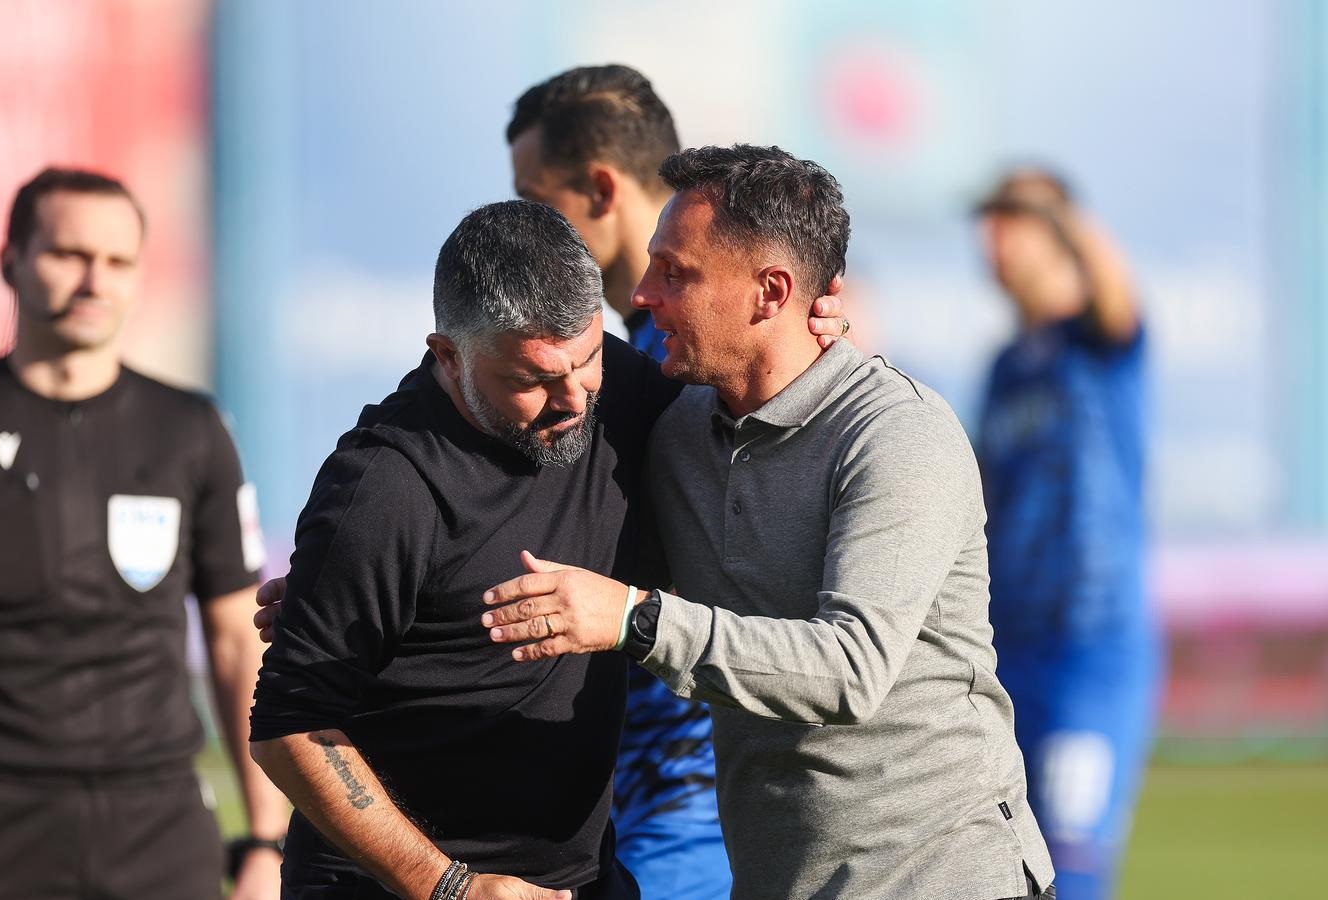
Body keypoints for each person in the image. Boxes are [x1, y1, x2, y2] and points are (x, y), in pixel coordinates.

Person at [477, 145, 1056, 899]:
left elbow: (849, 671)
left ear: (771, 292)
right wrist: (374, 580)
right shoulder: (679, 432)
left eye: (675, 273)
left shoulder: (897, 434)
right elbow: (573, 565)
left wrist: (638, 620)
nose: (644, 295)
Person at [247, 200, 847, 900]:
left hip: (581, 878)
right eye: (531, 381)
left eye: (588, 359)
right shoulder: (382, 489)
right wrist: (451, 887)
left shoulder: (617, 392)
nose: (573, 400)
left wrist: (816, 348)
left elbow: (757, 420)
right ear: (448, 355)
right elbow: (288, 728)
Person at [0, 166, 288, 900]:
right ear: (10, 261)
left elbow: (240, 640)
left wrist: (267, 840)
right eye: (68, 254)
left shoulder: (193, 432)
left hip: (159, 821)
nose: (94, 281)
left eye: (117, 262)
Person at [505, 64, 727, 899]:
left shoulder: (705, 362)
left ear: (600, 187)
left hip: (697, 802)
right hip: (622, 800)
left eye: (534, 198)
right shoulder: (616, 353)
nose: (525, 228)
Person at [974, 168, 1159, 900]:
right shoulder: (1005, 367)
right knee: (1003, 866)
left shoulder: (1099, 340)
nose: (993, 242)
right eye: (988, 225)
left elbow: (1118, 297)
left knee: (1072, 869)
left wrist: (1063, 213)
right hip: (1007, 647)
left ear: (1058, 232)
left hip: (1090, 649)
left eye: (1011, 221)